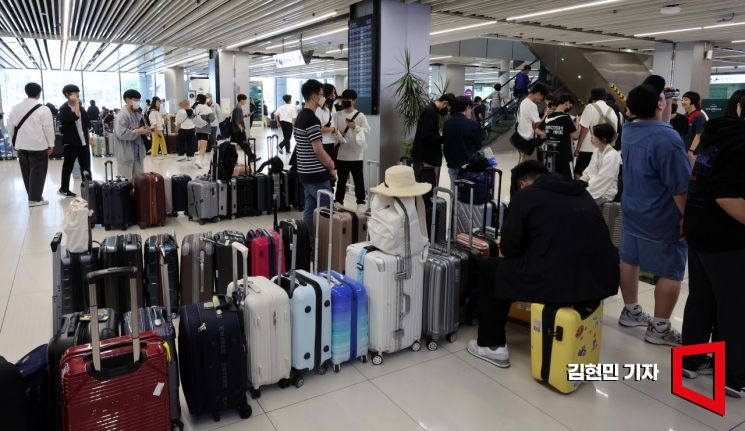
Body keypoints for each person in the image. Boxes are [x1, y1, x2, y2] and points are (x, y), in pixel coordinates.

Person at [467, 160, 619, 367]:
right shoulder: (582, 193)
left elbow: (510, 248)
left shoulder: (526, 196)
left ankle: (492, 346)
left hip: (560, 280)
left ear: (521, 183)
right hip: (600, 281)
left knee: (490, 270)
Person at [617, 75, 691, 346]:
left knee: (629, 260)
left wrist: (665, 102)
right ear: (658, 105)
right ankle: (659, 329)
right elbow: (679, 187)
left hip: (633, 208)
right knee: (671, 271)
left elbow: (658, 126)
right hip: (662, 215)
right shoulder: (668, 139)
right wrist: (688, 217)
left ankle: (631, 311)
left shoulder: (629, 130)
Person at [681, 89, 745, 398]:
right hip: (727, 239)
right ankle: (735, 377)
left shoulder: (716, 134)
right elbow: (727, 195)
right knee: (734, 307)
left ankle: (690, 361)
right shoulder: (742, 144)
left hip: (698, 229)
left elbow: (700, 180)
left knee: (701, 299)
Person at [295, 79, 336, 230]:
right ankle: (325, 246)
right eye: (320, 94)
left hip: (304, 172)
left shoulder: (300, 116)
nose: (322, 97)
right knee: (327, 211)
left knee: (310, 207)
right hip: (316, 174)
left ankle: (307, 244)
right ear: (313, 96)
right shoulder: (312, 119)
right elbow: (318, 150)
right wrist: (330, 165)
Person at [8, 82, 55, 206]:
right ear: (39, 94)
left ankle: (33, 195)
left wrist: (12, 142)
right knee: (38, 171)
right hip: (38, 145)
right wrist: (51, 144)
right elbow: (48, 128)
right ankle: (34, 199)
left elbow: (11, 127)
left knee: (26, 171)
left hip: (21, 145)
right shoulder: (43, 109)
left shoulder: (15, 108)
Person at [334, 89, 370, 211]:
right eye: (344, 99)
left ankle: (361, 202)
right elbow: (334, 131)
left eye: (348, 99)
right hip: (342, 155)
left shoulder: (360, 116)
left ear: (354, 101)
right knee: (341, 180)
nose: (345, 101)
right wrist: (338, 136)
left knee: (358, 180)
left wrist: (355, 127)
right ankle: (338, 201)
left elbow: (367, 131)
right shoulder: (337, 115)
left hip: (356, 155)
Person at [411, 93, 455, 186]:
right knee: (426, 188)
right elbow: (426, 134)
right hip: (425, 158)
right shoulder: (430, 112)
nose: (447, 112)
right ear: (445, 103)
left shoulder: (432, 111)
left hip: (426, 156)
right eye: (448, 109)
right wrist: (444, 139)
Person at [57, 84, 92, 198]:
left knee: (86, 166)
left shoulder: (81, 107)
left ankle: (88, 188)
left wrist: (89, 139)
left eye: (78, 93)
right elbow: (75, 116)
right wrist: (76, 103)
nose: (77, 95)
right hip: (71, 143)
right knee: (68, 166)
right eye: (75, 93)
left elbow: (87, 124)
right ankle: (64, 188)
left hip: (83, 142)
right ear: (68, 95)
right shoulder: (64, 109)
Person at [575, 88, 618, 179]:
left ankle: (582, 192)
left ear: (593, 98)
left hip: (587, 148)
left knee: (580, 173)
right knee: (597, 176)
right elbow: (614, 132)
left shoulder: (590, 107)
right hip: (604, 150)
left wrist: (578, 147)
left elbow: (584, 129)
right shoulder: (611, 111)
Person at [442, 96, 483, 187]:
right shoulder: (472, 124)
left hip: (452, 163)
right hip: (467, 165)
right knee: (466, 193)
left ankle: (454, 201)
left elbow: (445, 142)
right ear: (467, 107)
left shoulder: (447, 123)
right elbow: (478, 145)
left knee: (454, 189)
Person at [111, 89, 150, 178]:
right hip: (126, 154)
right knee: (125, 182)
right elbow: (121, 133)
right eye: (135, 100)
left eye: (139, 100)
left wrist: (146, 130)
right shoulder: (122, 116)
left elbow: (140, 127)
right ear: (128, 100)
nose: (138, 102)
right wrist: (138, 131)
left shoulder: (137, 113)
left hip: (138, 153)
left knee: (140, 180)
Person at [580, 123, 621, 205]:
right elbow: (589, 172)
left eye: (594, 135)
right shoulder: (596, 151)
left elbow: (603, 180)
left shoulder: (612, 155)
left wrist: (584, 190)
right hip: (592, 187)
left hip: (604, 193)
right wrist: (580, 183)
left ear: (603, 139)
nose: (591, 137)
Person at [539, 93, 578, 178]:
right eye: (570, 103)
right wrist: (577, 123)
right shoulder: (566, 117)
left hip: (550, 153)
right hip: (564, 154)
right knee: (568, 179)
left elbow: (537, 129)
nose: (570, 106)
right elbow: (575, 136)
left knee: (552, 179)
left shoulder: (549, 117)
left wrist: (548, 134)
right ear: (566, 103)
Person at [515, 83, 549, 163]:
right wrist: (545, 115)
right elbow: (536, 125)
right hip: (528, 141)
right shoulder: (531, 105)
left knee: (522, 164)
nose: (541, 100)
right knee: (529, 169)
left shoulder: (523, 102)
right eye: (542, 97)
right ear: (538, 93)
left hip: (521, 138)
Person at [316, 84, 339, 163]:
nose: (333, 96)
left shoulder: (329, 108)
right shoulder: (319, 109)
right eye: (331, 93)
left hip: (330, 141)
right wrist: (333, 129)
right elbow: (318, 127)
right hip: (323, 143)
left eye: (334, 93)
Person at [681, 91, 706, 161]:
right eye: (682, 100)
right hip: (683, 150)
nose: (682, 102)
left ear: (693, 101)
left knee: (689, 171)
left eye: (685, 100)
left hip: (693, 152)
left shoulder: (699, 115)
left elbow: (699, 135)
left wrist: (691, 150)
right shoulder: (684, 116)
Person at [193, 94, 214, 169]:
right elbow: (212, 119)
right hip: (205, 129)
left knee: (200, 145)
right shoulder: (207, 108)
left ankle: (202, 160)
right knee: (203, 147)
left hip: (197, 129)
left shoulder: (195, 107)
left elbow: (192, 117)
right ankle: (199, 161)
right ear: (205, 100)